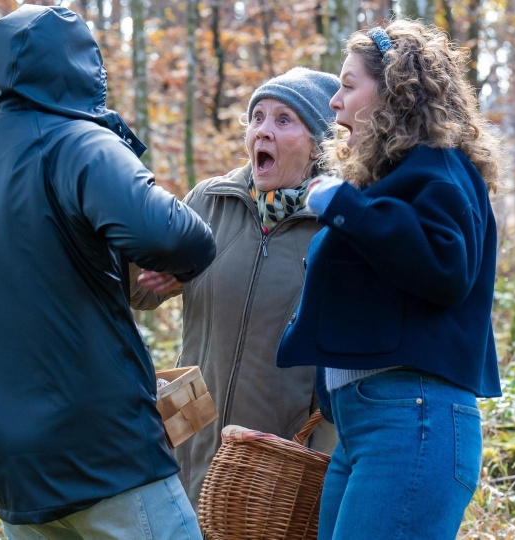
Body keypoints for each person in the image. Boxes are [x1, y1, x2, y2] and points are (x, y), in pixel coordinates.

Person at [0, 6, 215, 539]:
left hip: (9, 471)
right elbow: (180, 237)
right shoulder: (79, 143)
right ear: (82, 69)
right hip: (108, 455)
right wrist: (178, 267)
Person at [276, 20, 504, 540]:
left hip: (412, 421)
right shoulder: (389, 183)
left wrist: (348, 208)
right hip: (369, 425)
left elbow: (446, 269)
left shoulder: (441, 169)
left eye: (347, 85)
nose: (334, 102)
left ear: (395, 92)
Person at [132, 67, 341, 506]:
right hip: (189, 448)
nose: (263, 130)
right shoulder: (209, 201)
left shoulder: (337, 226)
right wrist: (130, 246)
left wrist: (318, 451)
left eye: (284, 120)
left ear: (317, 144)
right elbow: (141, 293)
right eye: (257, 117)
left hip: (277, 462)